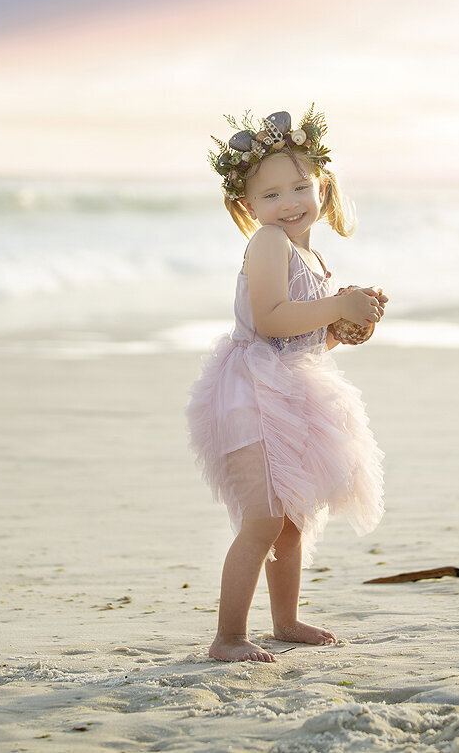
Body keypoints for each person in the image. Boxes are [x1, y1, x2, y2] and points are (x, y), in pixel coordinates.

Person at [187, 106, 387, 663]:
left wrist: (341, 329)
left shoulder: (309, 252)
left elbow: (300, 338)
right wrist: (336, 303)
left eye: (300, 186)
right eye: (271, 195)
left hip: (292, 388)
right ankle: (227, 637)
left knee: (293, 519)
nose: (289, 202)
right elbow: (271, 320)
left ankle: (285, 620)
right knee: (262, 519)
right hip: (251, 392)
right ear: (248, 206)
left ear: (322, 184)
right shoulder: (269, 242)